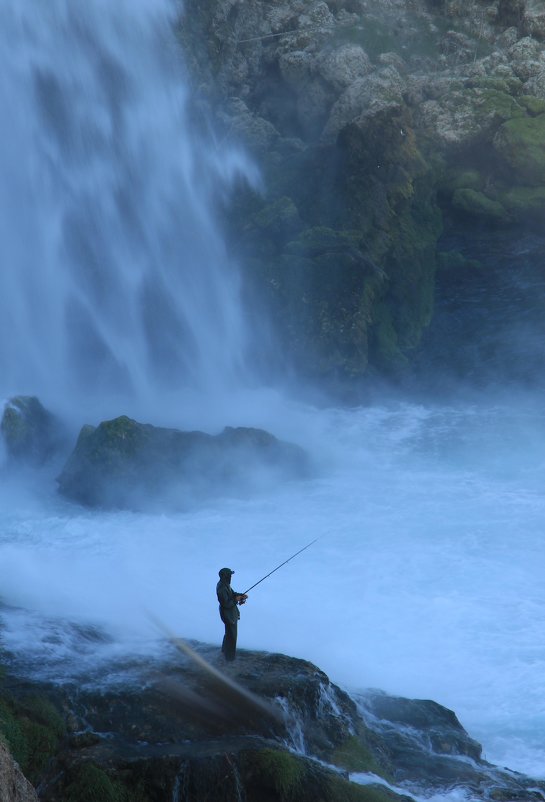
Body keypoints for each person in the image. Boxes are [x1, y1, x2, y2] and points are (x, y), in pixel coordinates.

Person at [216, 567, 248, 661]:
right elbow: (226, 604)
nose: (231, 577)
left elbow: (233, 594)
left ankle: (224, 651)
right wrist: (236, 599)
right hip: (228, 615)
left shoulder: (225, 584)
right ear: (226, 576)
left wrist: (241, 595)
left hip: (231, 613)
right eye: (230, 575)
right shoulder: (221, 588)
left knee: (228, 633)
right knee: (232, 636)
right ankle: (229, 658)